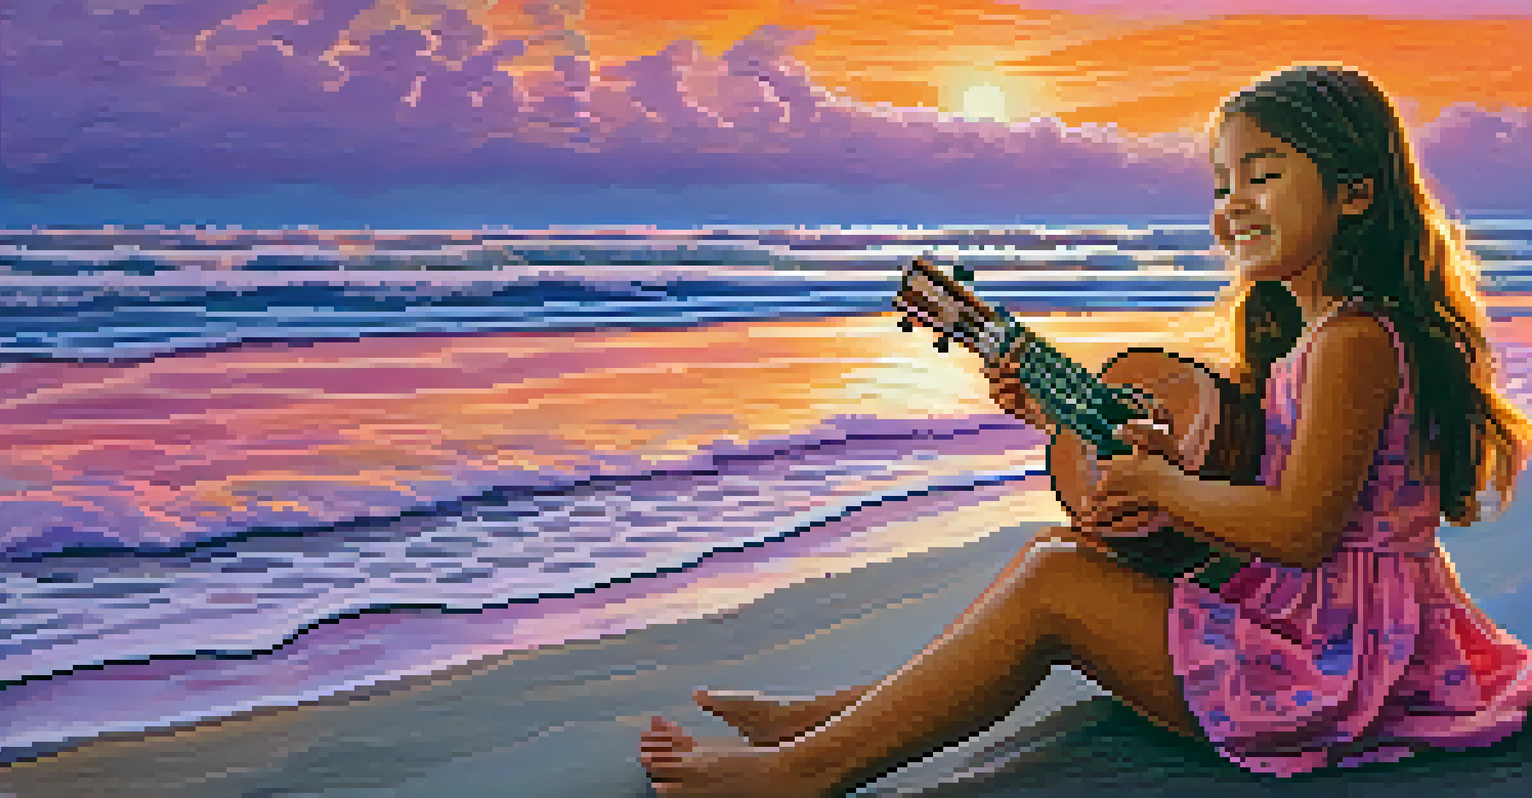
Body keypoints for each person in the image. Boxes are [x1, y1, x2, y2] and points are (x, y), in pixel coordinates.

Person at [638, 64, 1532, 795]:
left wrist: (1163, 487)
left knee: (1054, 583)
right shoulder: (1318, 338)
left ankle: (805, 772)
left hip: (1340, 665)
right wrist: (1063, 418)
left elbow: (1301, 529)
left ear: (1356, 191)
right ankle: (831, 719)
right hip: (1329, 626)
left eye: (1263, 175)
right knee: (1059, 552)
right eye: (1223, 184)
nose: (1234, 203)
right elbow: (1259, 479)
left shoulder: (1352, 341)